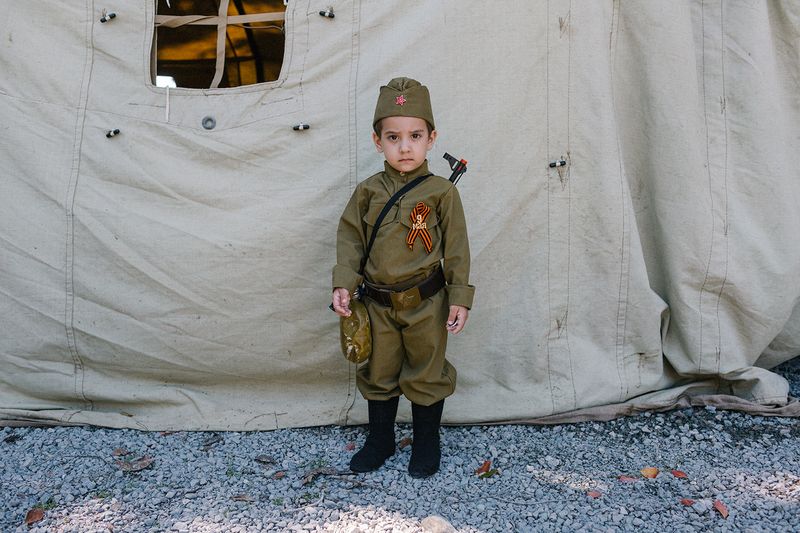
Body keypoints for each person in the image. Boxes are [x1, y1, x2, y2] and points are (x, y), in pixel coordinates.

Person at [331, 77, 475, 478]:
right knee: (379, 371)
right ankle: (381, 440)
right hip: (376, 304)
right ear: (378, 142)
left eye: (415, 135)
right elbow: (351, 240)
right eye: (393, 137)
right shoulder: (367, 192)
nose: (405, 146)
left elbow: (458, 249)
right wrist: (343, 282)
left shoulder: (441, 193)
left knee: (426, 371)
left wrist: (460, 296)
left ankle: (427, 442)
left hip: (427, 304)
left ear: (432, 138)